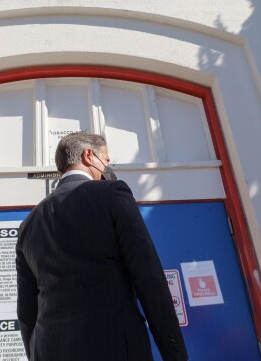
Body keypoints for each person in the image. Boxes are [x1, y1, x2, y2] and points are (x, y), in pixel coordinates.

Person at [16, 132, 188, 360]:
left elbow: (27, 311)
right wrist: (174, 353)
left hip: (50, 350)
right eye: (106, 160)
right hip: (114, 345)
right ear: (89, 155)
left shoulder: (28, 224)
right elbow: (149, 278)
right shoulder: (112, 193)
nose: (108, 167)